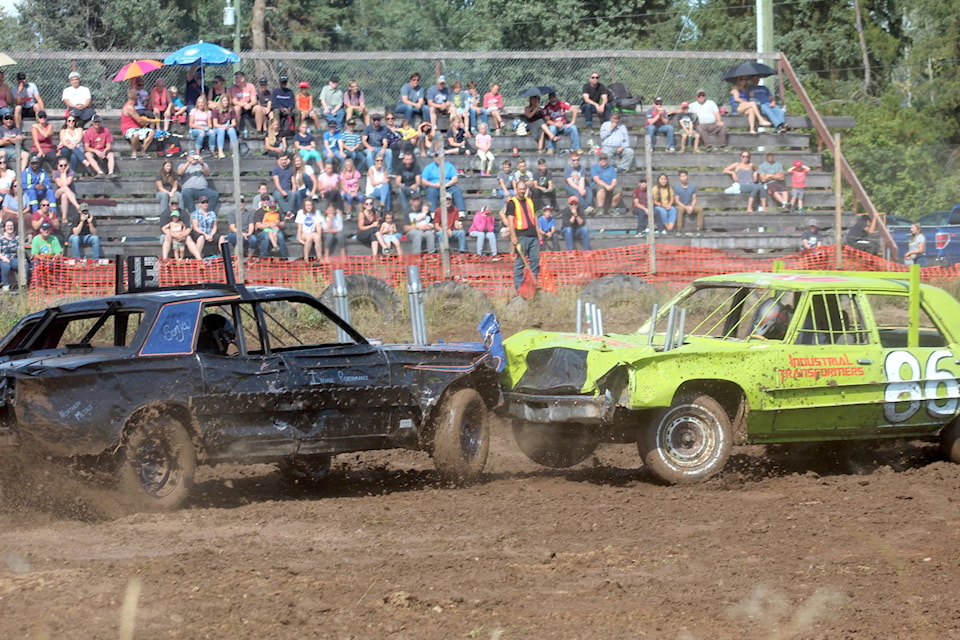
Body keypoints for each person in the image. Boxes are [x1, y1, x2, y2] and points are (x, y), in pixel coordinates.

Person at [505, 181, 541, 293]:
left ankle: (533, 284)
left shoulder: (530, 201)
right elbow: (510, 221)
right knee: (520, 263)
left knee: (535, 260)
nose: (522, 191)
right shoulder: (512, 202)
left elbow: (534, 217)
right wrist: (513, 237)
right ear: (516, 189)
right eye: (520, 189)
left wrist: (538, 234)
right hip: (521, 236)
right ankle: (519, 287)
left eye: (523, 189)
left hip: (533, 235)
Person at [121, 89, 156, 160]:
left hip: (137, 128)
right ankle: (134, 153)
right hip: (128, 129)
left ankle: (143, 151)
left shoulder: (132, 107)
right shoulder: (129, 107)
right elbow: (139, 120)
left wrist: (147, 122)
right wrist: (151, 120)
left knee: (152, 132)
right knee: (136, 134)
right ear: (136, 98)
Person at [0, 218, 27, 289]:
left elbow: (21, 249)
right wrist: (3, 257)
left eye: (11, 225)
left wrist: (22, 258)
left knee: (25, 264)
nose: (10, 227)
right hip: (3, 258)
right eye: (8, 226)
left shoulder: (17, 238)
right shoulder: (1, 238)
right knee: (5, 266)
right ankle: (5, 285)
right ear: (5, 227)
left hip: (15, 258)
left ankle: (24, 284)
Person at [210, 92, 238, 158]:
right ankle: (220, 151)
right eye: (224, 100)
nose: (226, 102)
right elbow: (215, 124)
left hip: (227, 126)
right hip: (218, 127)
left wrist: (229, 126)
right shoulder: (216, 110)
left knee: (232, 130)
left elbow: (234, 123)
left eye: (227, 100)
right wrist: (222, 126)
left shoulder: (231, 110)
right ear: (221, 101)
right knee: (221, 130)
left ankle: (235, 151)